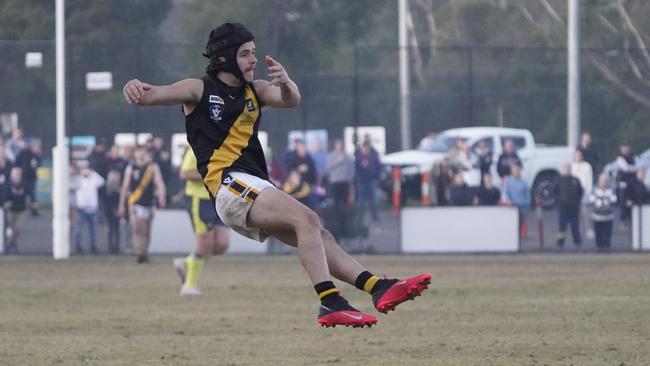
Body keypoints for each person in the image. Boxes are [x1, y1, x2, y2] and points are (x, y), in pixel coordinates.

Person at [122, 22, 430, 328]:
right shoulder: (199, 88)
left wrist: (285, 82)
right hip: (229, 185)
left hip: (251, 186)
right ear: (224, 57)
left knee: (318, 236)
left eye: (254, 52)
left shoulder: (256, 90)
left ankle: (376, 286)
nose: (253, 60)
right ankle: (330, 301)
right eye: (245, 54)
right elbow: (151, 95)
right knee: (307, 219)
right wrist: (133, 87)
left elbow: (290, 99)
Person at [173, 148, 231, 296]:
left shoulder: (227, 148)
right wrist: (210, 174)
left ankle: (187, 263)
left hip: (219, 199)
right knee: (204, 244)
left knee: (222, 244)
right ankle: (189, 286)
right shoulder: (196, 148)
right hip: (200, 200)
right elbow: (185, 173)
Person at [117, 145, 166, 263]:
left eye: (143, 151)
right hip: (135, 202)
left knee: (147, 230)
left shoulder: (152, 167)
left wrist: (161, 196)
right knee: (137, 229)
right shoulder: (131, 168)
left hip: (149, 202)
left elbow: (159, 182)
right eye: (138, 151)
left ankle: (144, 251)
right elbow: (125, 186)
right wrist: (121, 204)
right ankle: (139, 251)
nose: (141, 154)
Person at [70, 164, 105, 255]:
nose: (85, 171)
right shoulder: (78, 180)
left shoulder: (93, 179)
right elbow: (70, 185)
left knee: (93, 230)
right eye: (83, 169)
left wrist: (93, 173)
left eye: (87, 169)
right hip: (81, 208)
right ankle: (78, 247)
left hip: (92, 208)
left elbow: (102, 181)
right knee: (79, 230)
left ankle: (93, 246)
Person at [325, 139, 355, 241]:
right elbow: (327, 169)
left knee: (345, 206)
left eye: (340, 145)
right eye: (337, 145)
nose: (339, 147)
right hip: (335, 183)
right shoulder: (330, 156)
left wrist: (349, 181)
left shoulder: (347, 157)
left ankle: (345, 226)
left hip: (344, 183)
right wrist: (337, 162)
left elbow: (351, 168)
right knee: (336, 206)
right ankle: (337, 227)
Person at [555, 164, 583, 249]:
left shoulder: (575, 180)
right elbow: (555, 191)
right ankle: (560, 243)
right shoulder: (559, 180)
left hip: (574, 208)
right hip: (563, 208)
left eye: (568, 169)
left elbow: (581, 191)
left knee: (575, 226)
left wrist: (577, 201)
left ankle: (577, 243)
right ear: (563, 170)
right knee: (562, 226)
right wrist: (559, 202)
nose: (567, 170)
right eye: (565, 169)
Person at [355, 140, 381, 222]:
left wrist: (375, 176)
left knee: (374, 202)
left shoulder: (373, 157)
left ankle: (375, 217)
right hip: (362, 181)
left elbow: (378, 167)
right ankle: (359, 218)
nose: (365, 149)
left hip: (371, 181)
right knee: (361, 202)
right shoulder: (358, 158)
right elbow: (356, 169)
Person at [502, 164, 531, 239]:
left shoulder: (524, 182)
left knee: (521, 224)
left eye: (517, 170)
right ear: (512, 172)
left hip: (522, 206)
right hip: (512, 206)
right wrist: (509, 201)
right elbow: (506, 192)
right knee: (513, 225)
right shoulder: (508, 181)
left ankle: (519, 241)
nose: (516, 172)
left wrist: (528, 205)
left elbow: (528, 195)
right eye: (514, 170)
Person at [14, 138, 41, 216]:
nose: (27, 146)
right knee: (22, 194)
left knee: (33, 196)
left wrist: (35, 165)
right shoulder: (21, 154)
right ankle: (21, 209)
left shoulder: (33, 154)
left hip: (32, 178)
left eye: (29, 144)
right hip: (22, 178)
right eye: (26, 144)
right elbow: (16, 164)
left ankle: (34, 211)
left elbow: (39, 163)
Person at [589, 174, 617, 252]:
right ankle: (599, 250)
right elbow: (591, 199)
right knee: (598, 234)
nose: (604, 182)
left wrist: (606, 201)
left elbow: (614, 199)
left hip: (608, 216)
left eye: (605, 180)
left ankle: (607, 250)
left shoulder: (611, 189)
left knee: (608, 235)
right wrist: (601, 202)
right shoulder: (594, 189)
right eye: (602, 180)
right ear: (599, 180)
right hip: (597, 217)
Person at [3, 167, 27, 254]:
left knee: (18, 228)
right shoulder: (7, 185)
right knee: (9, 229)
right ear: (11, 175)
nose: (17, 176)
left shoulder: (24, 184)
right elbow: (4, 196)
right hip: (10, 210)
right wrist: (6, 202)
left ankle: (11, 243)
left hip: (21, 210)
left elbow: (29, 193)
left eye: (18, 174)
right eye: (15, 174)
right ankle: (8, 245)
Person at [571, 149, 593, 239]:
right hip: (574, 196)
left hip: (584, 194)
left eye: (579, 155)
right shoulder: (572, 166)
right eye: (576, 155)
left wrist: (588, 192)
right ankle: (577, 232)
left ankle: (588, 229)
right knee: (575, 215)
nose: (578, 156)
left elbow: (589, 181)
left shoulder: (587, 166)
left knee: (586, 213)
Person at [615, 142, 638, 225]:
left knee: (632, 203)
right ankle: (623, 221)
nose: (625, 149)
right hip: (624, 186)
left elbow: (638, 166)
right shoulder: (620, 158)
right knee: (623, 204)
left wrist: (635, 168)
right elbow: (626, 169)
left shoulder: (634, 157)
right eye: (623, 147)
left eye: (626, 147)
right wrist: (635, 168)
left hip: (633, 185)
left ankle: (632, 221)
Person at [104, 170, 122, 254]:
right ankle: (110, 248)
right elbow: (106, 202)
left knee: (117, 230)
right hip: (110, 212)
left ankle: (116, 247)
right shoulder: (107, 189)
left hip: (117, 211)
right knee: (111, 230)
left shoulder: (119, 189)